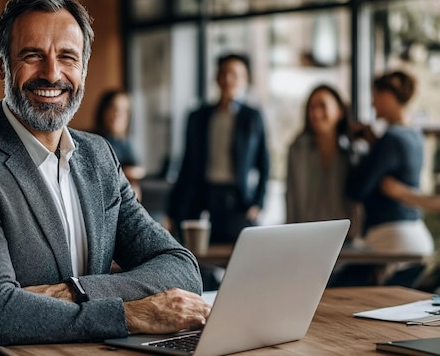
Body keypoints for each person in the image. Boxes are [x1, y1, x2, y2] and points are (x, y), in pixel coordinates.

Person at [0, 0, 209, 355]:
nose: (52, 74)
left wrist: (74, 291)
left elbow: (181, 268)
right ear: (1, 65)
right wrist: (131, 314)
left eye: (67, 57)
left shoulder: (99, 156)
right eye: (33, 55)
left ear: (83, 69)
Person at [166, 53, 270, 244]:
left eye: (234, 74)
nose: (228, 79)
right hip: (205, 196)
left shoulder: (252, 117)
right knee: (199, 258)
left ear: (245, 80)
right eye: (223, 73)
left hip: (239, 201)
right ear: (216, 77)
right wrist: (173, 209)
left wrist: (258, 203)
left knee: (242, 257)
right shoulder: (198, 117)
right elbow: (187, 163)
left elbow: (264, 163)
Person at [347, 71, 434, 255]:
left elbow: (358, 189)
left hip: (390, 236)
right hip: (416, 230)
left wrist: (362, 153)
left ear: (387, 96)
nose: (372, 104)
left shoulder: (391, 139)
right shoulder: (415, 135)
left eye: (375, 97)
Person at [286, 84, 362, 240]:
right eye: (311, 107)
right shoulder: (297, 149)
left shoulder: (354, 152)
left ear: (340, 111)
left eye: (322, 105)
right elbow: (291, 196)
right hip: (307, 237)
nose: (316, 113)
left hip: (348, 239)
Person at [93, 89, 146, 199]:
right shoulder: (92, 141)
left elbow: (138, 170)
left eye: (124, 111)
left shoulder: (128, 143)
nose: (118, 115)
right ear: (103, 111)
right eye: (114, 108)